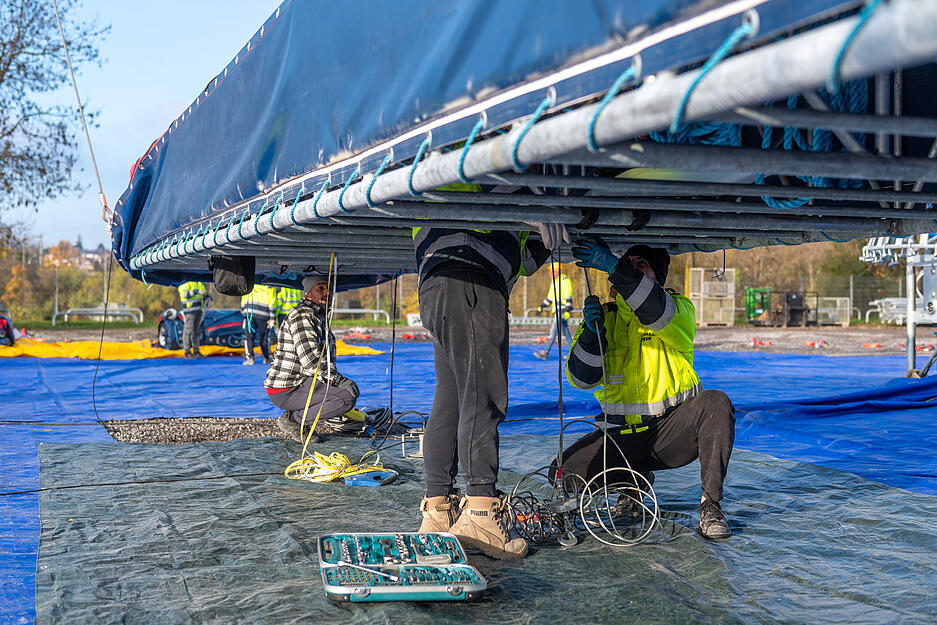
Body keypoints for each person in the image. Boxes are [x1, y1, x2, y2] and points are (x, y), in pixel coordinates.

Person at [561, 239, 735, 540]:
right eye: (629, 262)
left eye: (641, 264)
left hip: (670, 436)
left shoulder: (676, 309)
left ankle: (711, 507)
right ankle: (632, 488)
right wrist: (592, 334)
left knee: (715, 403)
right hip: (620, 440)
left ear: (657, 277)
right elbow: (581, 379)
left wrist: (616, 267)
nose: (631, 266)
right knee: (563, 473)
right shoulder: (604, 318)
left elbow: (654, 308)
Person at [413, 218, 563, 560]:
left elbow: (521, 261)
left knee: (450, 401)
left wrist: (542, 240)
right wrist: (545, 212)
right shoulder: (517, 180)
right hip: (472, 276)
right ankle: (480, 514)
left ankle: (438, 512)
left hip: (439, 282)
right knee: (483, 396)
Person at [264, 276, 360, 443]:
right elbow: (310, 360)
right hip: (288, 388)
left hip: (302, 382)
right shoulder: (304, 315)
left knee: (343, 392)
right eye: (320, 288)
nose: (327, 292)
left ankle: (296, 416)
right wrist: (338, 380)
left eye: (329, 288)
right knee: (346, 396)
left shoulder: (318, 315)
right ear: (308, 293)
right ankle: (294, 420)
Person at [534, 262, 574, 360]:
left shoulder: (564, 281)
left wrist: (567, 310)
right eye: (550, 272)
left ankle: (545, 352)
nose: (551, 274)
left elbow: (568, 296)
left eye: (554, 272)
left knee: (554, 332)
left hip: (562, 310)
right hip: (558, 310)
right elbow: (550, 298)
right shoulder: (554, 282)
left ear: (559, 271)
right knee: (566, 334)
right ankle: (574, 353)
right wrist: (541, 307)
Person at [241, 284, 277, 365]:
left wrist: (244, 312)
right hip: (264, 315)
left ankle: (250, 358)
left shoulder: (249, 282)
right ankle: (266, 358)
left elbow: (244, 298)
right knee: (264, 337)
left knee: (249, 337)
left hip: (250, 313)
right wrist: (272, 317)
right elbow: (272, 301)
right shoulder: (268, 285)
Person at [177, 281, 208, 358]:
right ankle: (187, 351)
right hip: (190, 310)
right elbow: (184, 294)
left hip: (198, 310)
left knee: (196, 331)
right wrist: (196, 291)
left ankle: (196, 351)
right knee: (188, 331)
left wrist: (206, 295)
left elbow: (202, 293)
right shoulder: (184, 283)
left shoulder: (199, 282)